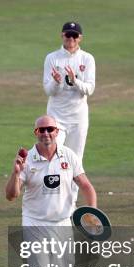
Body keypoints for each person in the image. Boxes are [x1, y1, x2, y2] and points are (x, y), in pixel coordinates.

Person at [5, 115, 97, 267]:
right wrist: (16, 173)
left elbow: (86, 186)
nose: (46, 133)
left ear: (57, 132)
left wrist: (92, 215)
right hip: (34, 223)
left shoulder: (69, 155)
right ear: (35, 132)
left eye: (50, 129)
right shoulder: (27, 160)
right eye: (41, 129)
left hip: (63, 222)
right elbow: (11, 195)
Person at [43, 21, 95, 202]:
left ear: (80, 38)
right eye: (68, 35)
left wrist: (74, 81)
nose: (71, 39)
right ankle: (52, 200)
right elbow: (49, 91)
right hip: (56, 117)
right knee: (53, 157)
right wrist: (56, 81)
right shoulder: (52, 58)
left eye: (74, 35)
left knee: (75, 162)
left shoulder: (87, 59)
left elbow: (89, 89)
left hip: (78, 118)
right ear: (62, 35)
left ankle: (70, 204)